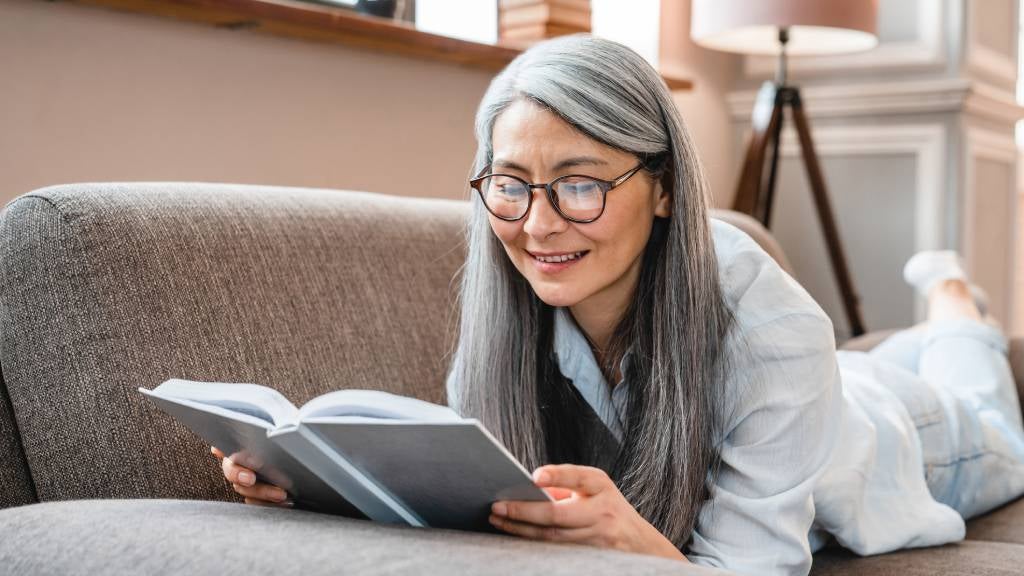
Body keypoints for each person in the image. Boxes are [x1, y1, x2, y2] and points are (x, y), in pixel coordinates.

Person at [212, 35, 1024, 575]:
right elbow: (471, 505)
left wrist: (634, 545)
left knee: (986, 406)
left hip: (898, 439)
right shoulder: (508, 304)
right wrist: (317, 484)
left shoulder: (771, 328)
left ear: (664, 186)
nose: (536, 224)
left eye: (580, 184)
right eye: (511, 184)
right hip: (829, 385)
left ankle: (953, 304)